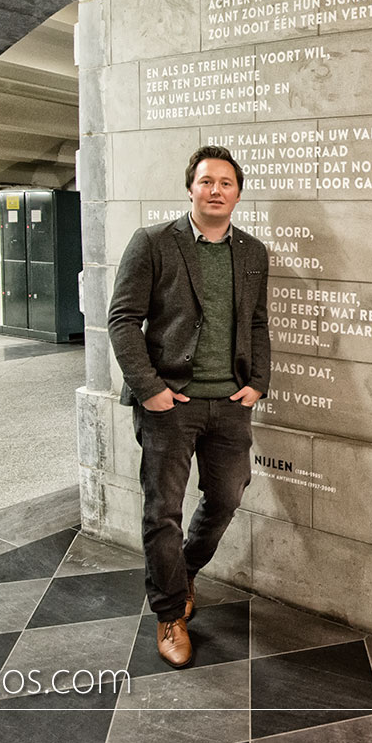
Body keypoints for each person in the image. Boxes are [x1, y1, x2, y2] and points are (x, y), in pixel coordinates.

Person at [107, 145, 270, 667]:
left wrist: (259, 383)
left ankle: (183, 573)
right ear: (190, 188)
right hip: (169, 405)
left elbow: (258, 324)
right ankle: (170, 613)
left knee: (225, 497)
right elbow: (122, 320)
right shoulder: (154, 242)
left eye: (225, 182)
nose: (215, 189)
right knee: (163, 512)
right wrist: (149, 387)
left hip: (230, 403)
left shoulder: (252, 252)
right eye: (206, 181)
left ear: (238, 193)